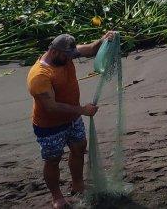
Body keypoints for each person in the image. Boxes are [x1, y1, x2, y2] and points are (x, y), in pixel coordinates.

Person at [27, 31, 116, 209]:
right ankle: (57, 197)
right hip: (49, 125)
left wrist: (103, 39)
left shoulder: (65, 55)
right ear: (54, 51)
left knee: (79, 148)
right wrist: (83, 110)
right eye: (67, 56)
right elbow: (51, 107)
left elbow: (90, 49)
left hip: (73, 119)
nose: (70, 58)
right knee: (53, 159)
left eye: (71, 55)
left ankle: (77, 183)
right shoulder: (40, 76)